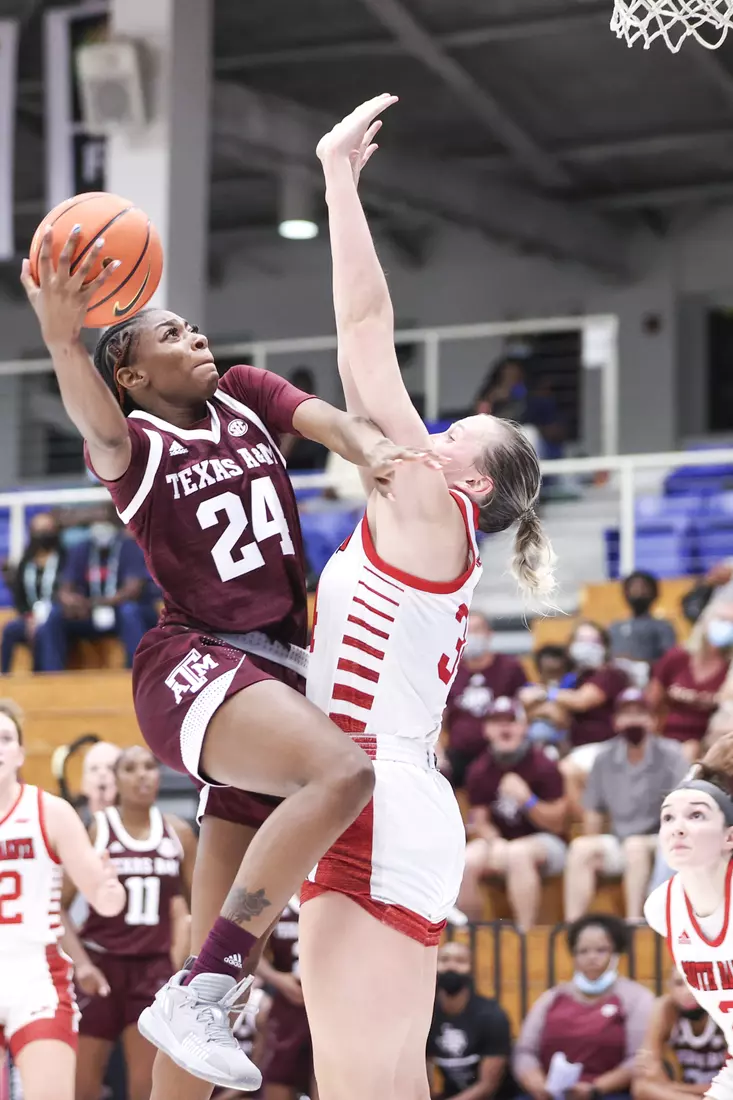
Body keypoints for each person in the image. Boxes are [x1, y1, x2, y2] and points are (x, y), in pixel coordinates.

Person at [21, 217, 424, 1091]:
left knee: (211, 991)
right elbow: (99, 426)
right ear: (132, 376)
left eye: (194, 326)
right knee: (342, 775)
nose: (195, 336)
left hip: (273, 677)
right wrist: (62, 343)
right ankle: (207, 985)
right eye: (171, 334)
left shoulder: (241, 393)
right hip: (194, 661)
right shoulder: (136, 450)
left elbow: (325, 422)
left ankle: (203, 991)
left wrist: (376, 450)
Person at [298, 94, 555, 1100]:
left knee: (354, 1081)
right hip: (401, 794)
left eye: (450, 435)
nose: (428, 434)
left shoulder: (432, 505)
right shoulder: (431, 532)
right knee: (393, 1078)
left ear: (473, 483)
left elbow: (366, 336)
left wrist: (337, 180)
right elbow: (359, 363)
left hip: (366, 789)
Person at [0, 697, 126, 1100]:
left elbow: (105, 901)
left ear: (21, 752)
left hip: (35, 979)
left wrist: (109, 887)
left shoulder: (50, 811)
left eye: (5, 738)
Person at [60, 745, 197, 1100]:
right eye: (131, 768)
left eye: (149, 766)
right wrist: (82, 964)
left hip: (152, 970)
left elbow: (199, 907)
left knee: (145, 1086)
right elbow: (58, 906)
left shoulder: (178, 834)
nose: (142, 775)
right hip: (101, 966)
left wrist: (180, 964)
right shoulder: (98, 829)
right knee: (81, 1087)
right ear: (117, 780)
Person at [643, 732, 733, 1099]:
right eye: (667, 817)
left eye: (696, 816)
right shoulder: (661, 908)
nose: (678, 827)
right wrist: (704, 772)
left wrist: (710, 766)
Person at [564, 689, 688, 922]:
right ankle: (573, 927)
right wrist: (594, 841)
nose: (633, 720)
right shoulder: (604, 757)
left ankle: (635, 923)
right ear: (616, 721)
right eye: (626, 714)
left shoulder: (672, 754)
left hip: (660, 841)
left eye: (640, 713)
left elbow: (682, 806)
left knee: (635, 847)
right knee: (581, 848)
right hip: (619, 838)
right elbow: (593, 809)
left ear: (652, 720)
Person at [513, 914, 654, 1100]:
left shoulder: (638, 998)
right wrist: (537, 1084)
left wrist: (595, 1088)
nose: (591, 958)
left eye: (601, 950)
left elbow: (639, 1058)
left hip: (609, 1095)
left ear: (616, 953)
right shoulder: (551, 998)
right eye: (583, 951)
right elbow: (525, 1051)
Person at [457, 697, 567, 931]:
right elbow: (479, 820)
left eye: (511, 721)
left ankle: (524, 936)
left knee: (518, 853)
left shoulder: (543, 764)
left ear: (524, 727)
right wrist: (495, 841)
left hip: (548, 843)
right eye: (496, 722)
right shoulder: (479, 770)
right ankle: (471, 934)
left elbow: (557, 823)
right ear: (486, 730)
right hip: (501, 842)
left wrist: (528, 800)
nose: (504, 728)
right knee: (466, 859)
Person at [34, 507, 158, 671]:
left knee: (130, 611)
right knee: (55, 614)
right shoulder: (80, 549)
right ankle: (51, 674)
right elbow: (65, 589)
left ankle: (136, 671)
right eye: (95, 523)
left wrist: (97, 602)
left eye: (104, 522)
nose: (100, 527)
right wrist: (72, 600)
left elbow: (132, 590)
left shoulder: (129, 547)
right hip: (88, 612)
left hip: (119, 610)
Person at [442, 612, 528, 788]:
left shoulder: (509, 667)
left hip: (500, 751)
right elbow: (438, 715)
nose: (471, 636)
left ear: (489, 634)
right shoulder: (450, 670)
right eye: (467, 631)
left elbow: (524, 708)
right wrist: (438, 751)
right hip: (459, 754)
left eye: (477, 630)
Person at [647, 602, 733, 763]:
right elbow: (652, 702)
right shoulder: (677, 658)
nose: (727, 627)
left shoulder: (730, 668)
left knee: (691, 749)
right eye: (722, 620)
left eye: (732, 623)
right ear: (706, 621)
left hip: (708, 745)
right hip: (665, 739)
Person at [427, 940, 512, 1100]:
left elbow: (487, 1085)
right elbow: (422, 1073)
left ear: (471, 969)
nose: (451, 966)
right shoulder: (426, 1014)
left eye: (460, 961)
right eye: (444, 960)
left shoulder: (492, 1015)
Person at [633, 968, 726, 1100]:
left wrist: (674, 1088)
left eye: (696, 983)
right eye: (679, 983)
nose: (688, 991)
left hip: (718, 1092)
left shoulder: (725, 1013)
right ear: (669, 987)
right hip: (683, 1094)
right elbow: (649, 1070)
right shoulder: (666, 1010)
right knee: (641, 1087)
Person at [256, 895, 316, 1100]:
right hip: (287, 1004)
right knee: (277, 1078)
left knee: (327, 1077)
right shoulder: (277, 898)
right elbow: (250, 951)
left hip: (329, 1006)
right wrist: (277, 979)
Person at [1, 511, 64, 674]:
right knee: (10, 629)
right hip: (30, 617)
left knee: (46, 630)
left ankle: (49, 676)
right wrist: (29, 617)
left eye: (47, 529)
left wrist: (45, 617)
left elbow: (66, 591)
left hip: (56, 615)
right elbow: (20, 597)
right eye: (39, 530)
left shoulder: (64, 558)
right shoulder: (26, 562)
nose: (44, 534)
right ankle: (4, 675)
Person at [609, 572, 676, 665]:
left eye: (643, 587)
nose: (638, 591)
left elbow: (669, 659)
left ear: (654, 593)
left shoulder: (663, 626)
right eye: (633, 587)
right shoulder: (614, 627)